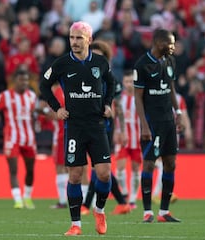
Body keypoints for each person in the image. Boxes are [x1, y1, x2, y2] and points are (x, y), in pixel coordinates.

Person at [39, 21, 115, 236]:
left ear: (89, 39)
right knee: (75, 175)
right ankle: (76, 225)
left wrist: (108, 104)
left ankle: (99, 211)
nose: (74, 42)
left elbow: (112, 83)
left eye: (79, 38)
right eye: (71, 38)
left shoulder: (100, 62)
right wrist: (56, 108)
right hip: (74, 126)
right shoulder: (62, 63)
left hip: (96, 125)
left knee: (104, 174)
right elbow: (44, 85)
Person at [133, 29, 182, 223]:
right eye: (169, 43)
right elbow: (138, 97)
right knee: (150, 163)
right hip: (152, 123)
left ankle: (164, 212)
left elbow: (170, 87)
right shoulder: (142, 64)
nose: (172, 47)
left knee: (171, 163)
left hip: (168, 122)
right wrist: (144, 125)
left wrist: (177, 112)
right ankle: (147, 212)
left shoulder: (170, 61)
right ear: (157, 43)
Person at [80, 40, 131, 216]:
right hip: (87, 126)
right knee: (99, 168)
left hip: (105, 129)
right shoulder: (83, 76)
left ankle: (87, 205)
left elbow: (118, 107)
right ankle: (121, 202)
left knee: (99, 168)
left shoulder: (111, 79)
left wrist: (121, 129)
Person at [0, 69, 38, 209]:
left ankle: (27, 197)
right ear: (14, 81)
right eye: (22, 80)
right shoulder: (5, 96)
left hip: (29, 139)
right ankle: (17, 200)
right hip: (12, 138)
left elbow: (34, 114)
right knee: (13, 169)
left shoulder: (32, 96)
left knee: (30, 170)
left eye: (26, 80)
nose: (24, 83)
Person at [114, 69, 142, 210]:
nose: (129, 84)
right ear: (123, 83)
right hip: (123, 138)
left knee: (136, 169)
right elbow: (115, 116)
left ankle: (132, 199)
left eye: (132, 81)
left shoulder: (141, 98)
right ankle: (124, 192)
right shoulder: (120, 99)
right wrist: (116, 132)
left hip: (137, 138)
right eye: (127, 81)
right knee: (120, 167)